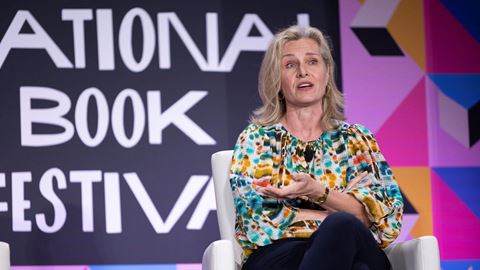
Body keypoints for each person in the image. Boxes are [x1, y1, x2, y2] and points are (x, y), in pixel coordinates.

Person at [229, 25, 403, 270]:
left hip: (356, 246)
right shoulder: (257, 140)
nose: (302, 72)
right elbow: (257, 221)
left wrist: (316, 192)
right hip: (282, 254)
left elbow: (387, 218)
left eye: (312, 62)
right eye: (290, 65)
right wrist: (343, 207)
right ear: (276, 79)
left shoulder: (356, 140)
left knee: (343, 230)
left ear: (327, 72)